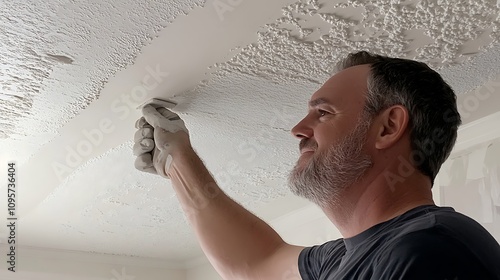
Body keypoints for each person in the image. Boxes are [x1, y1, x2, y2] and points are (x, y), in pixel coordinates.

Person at [133, 51, 500, 279]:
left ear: (387, 127)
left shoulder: (429, 252)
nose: (297, 130)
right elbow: (260, 262)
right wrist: (176, 163)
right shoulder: (346, 259)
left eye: (323, 113)